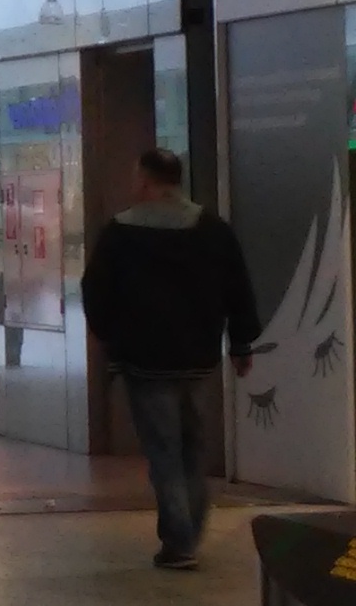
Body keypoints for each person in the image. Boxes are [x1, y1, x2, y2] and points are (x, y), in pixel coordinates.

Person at [82, 149, 261, 571]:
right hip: (198, 357)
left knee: (163, 449)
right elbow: (238, 288)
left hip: (145, 361)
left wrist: (111, 341)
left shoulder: (120, 232)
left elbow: (96, 291)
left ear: (145, 180)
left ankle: (179, 541)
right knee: (193, 447)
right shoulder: (213, 229)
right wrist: (240, 344)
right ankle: (189, 532)